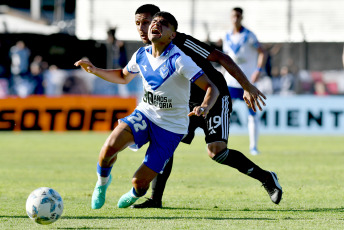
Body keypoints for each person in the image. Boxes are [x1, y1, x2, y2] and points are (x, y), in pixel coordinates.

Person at [131, 4, 282, 209]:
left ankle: (267, 178)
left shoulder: (181, 41)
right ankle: (155, 199)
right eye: (138, 24)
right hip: (186, 105)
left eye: (147, 22)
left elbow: (221, 57)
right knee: (165, 143)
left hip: (215, 97)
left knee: (217, 152)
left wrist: (247, 86)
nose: (143, 28)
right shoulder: (147, 53)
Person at [74, 11, 220, 209]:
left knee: (139, 183)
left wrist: (204, 107)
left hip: (171, 127)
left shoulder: (179, 60)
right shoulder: (141, 54)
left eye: (164, 24)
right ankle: (101, 184)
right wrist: (94, 70)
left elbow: (212, 87)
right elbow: (123, 76)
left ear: (172, 35)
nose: (156, 25)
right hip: (145, 114)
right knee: (108, 148)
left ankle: (135, 194)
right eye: (155, 21)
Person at [222, 7, 267, 155]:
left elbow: (262, 53)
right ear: (230, 17)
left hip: (247, 82)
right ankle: (221, 143)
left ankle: (253, 147)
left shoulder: (249, 36)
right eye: (233, 16)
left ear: (242, 17)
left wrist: (258, 71)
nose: (235, 18)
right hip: (230, 82)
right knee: (224, 113)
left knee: (252, 114)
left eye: (238, 16)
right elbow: (226, 58)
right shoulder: (227, 36)